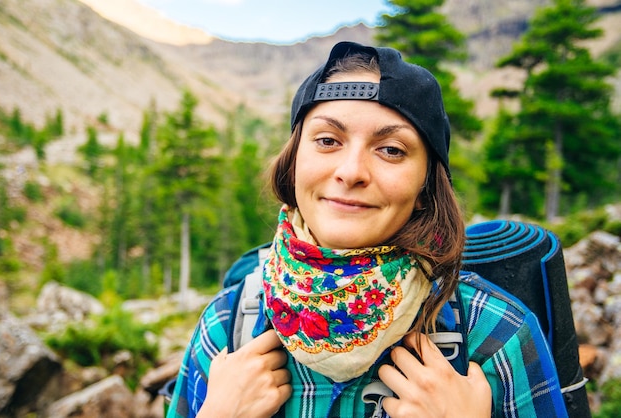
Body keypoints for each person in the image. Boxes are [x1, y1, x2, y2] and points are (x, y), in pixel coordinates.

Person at [167, 41, 568, 417]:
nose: (352, 171)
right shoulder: (226, 325)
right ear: (293, 165)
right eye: (327, 140)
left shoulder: (496, 333)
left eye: (391, 150)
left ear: (427, 186)